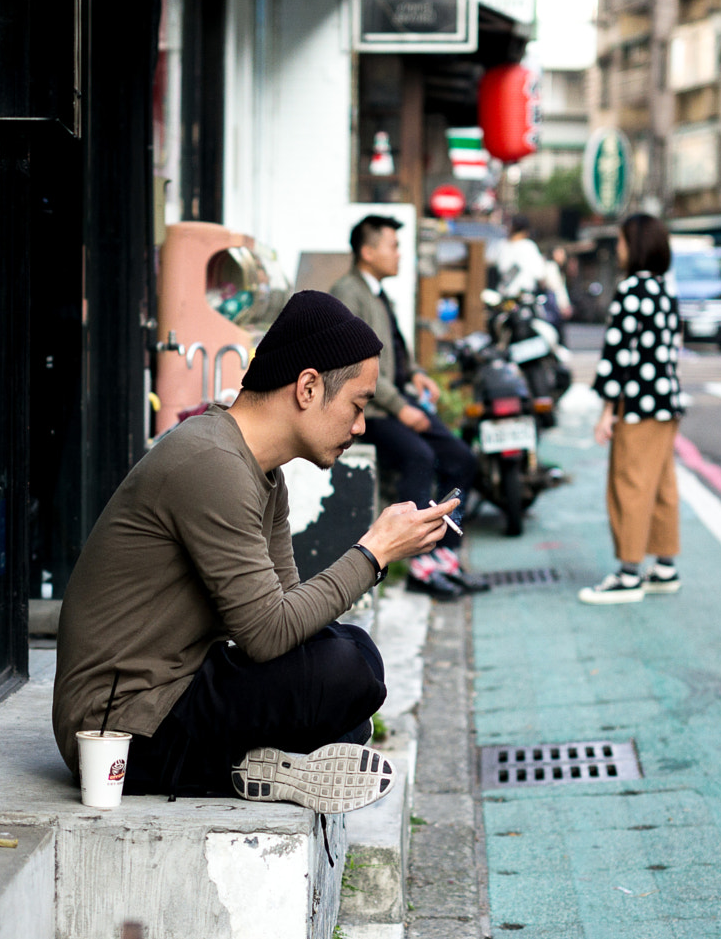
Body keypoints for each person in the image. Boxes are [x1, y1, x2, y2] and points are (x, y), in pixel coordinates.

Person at [52, 290, 458, 812]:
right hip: (119, 731)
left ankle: (258, 764)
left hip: (179, 689)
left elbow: (289, 618)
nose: (360, 426)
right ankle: (243, 764)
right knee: (344, 673)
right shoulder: (210, 462)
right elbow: (268, 636)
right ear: (308, 387)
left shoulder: (261, 474)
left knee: (355, 660)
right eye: (357, 406)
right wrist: (373, 553)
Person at [327, 215, 487, 599]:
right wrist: (401, 407)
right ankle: (419, 566)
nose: (400, 254)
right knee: (419, 457)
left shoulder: (379, 292)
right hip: (373, 411)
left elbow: (395, 349)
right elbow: (352, 367)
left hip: (398, 401)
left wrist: (415, 374)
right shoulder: (348, 292)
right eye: (393, 246)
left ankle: (445, 556)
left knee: (462, 460)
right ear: (368, 252)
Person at [579, 213, 687, 605]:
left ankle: (628, 574)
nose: (619, 250)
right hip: (665, 402)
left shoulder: (630, 291)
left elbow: (617, 356)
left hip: (637, 405)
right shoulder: (662, 289)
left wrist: (608, 410)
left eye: (623, 242)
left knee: (630, 486)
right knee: (660, 485)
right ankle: (664, 566)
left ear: (636, 246)